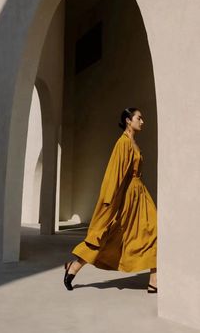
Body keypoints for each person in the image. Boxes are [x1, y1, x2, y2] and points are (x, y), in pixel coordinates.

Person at [63, 108, 157, 293]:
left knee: (155, 231)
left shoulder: (133, 142)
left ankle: (154, 279)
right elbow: (114, 174)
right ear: (128, 120)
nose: (142, 121)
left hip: (141, 196)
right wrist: (108, 201)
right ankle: (74, 266)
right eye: (139, 118)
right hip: (128, 196)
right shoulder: (122, 143)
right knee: (106, 235)